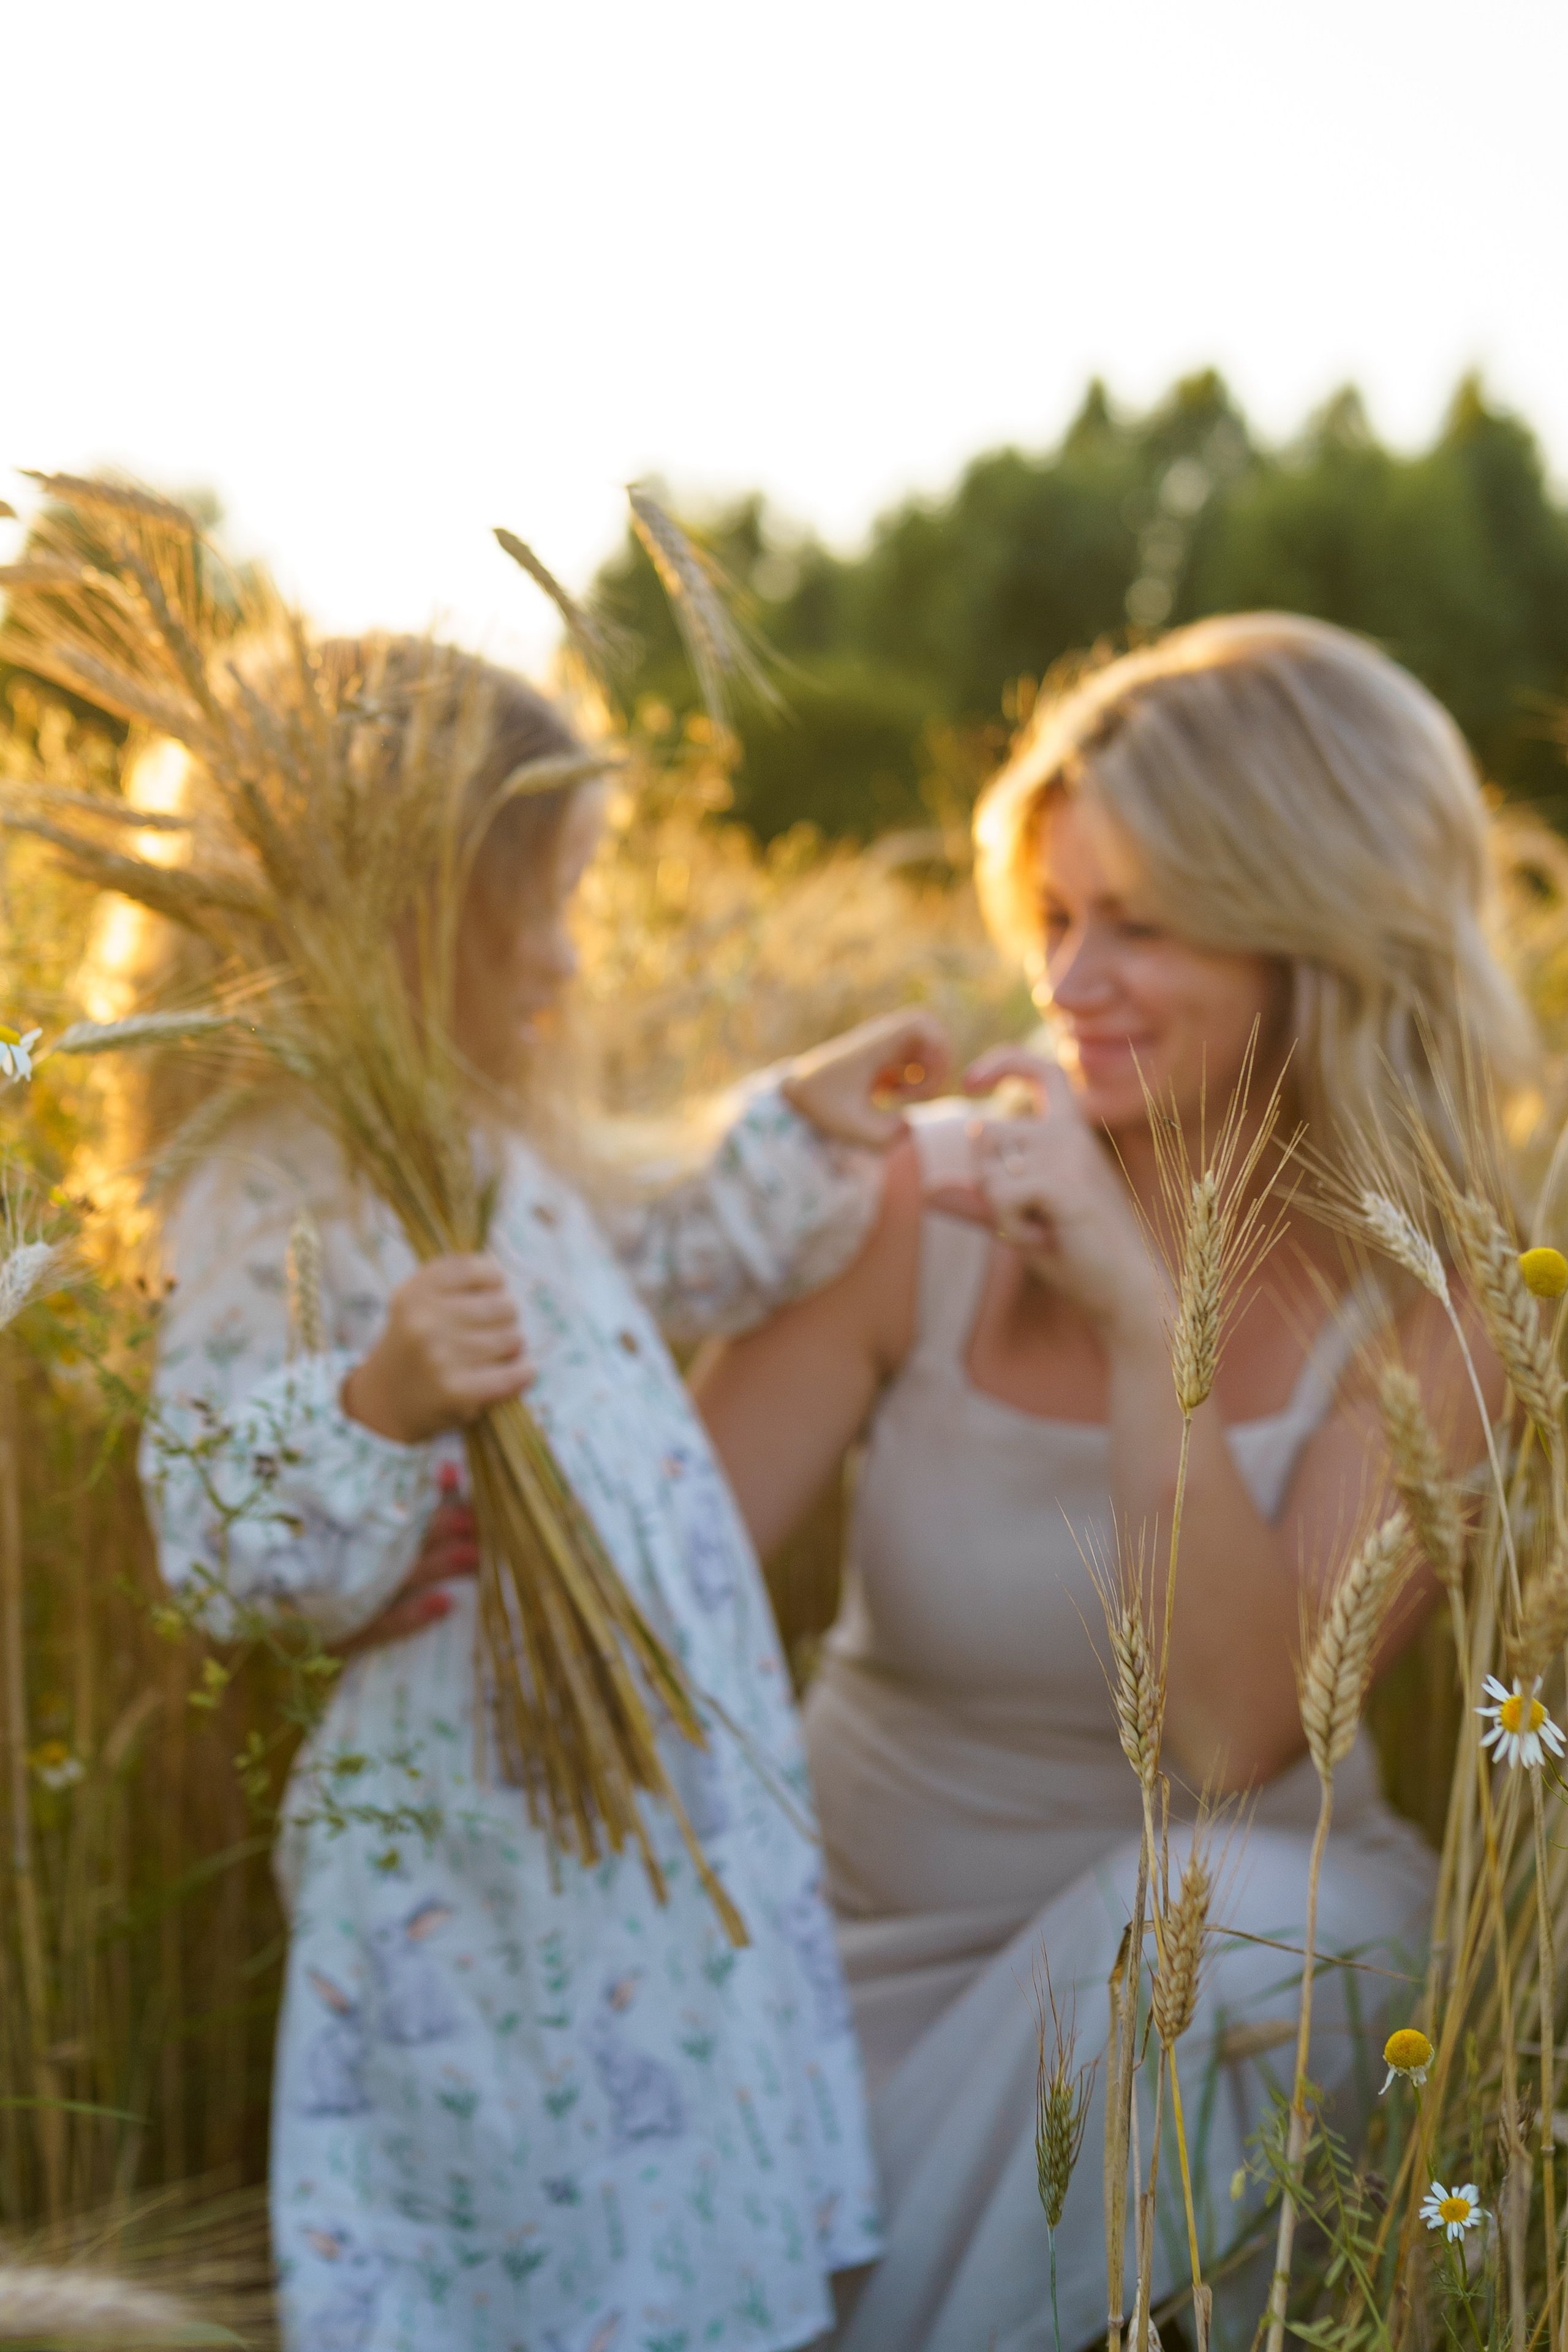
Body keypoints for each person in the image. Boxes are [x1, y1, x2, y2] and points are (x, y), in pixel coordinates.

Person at [693, 614, 1525, 2350]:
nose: (1068, 988)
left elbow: (1227, 1732)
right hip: (855, 1981)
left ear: (1317, 923)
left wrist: (1155, 1323)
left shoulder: (1450, 1303)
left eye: (1140, 922)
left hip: (1245, 1959)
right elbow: (647, 1570)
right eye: (1056, 918)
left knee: (1193, 1953)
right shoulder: (927, 1209)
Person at [140, 636, 949, 2352]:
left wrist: (803, 1120)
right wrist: (376, 1404)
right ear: (405, 912)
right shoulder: (264, 1182)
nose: (573, 962)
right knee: (507, 2200)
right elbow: (213, 1523)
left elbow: (667, 1240)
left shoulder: (489, 1140)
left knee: (666, 2183)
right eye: (546, 903)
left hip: (655, 1815)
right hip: (477, 1845)